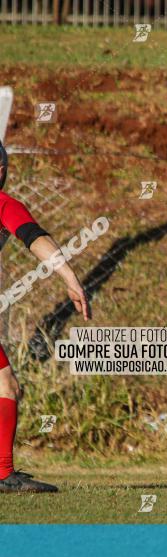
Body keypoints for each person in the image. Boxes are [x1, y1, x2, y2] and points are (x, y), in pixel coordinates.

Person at [0, 140, 92, 493]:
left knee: (6, 384)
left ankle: (3, 472)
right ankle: (3, 474)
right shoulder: (3, 203)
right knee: (5, 385)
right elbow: (34, 237)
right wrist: (70, 278)